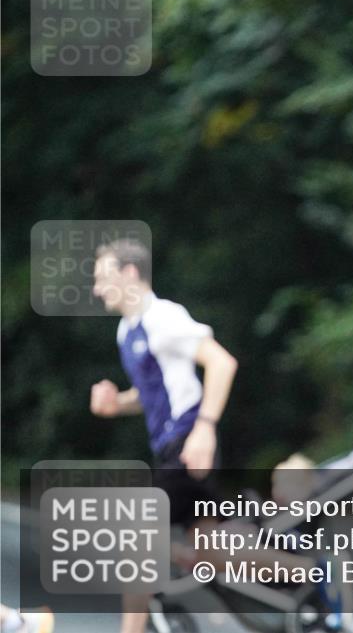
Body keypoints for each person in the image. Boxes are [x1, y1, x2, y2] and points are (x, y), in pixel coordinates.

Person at [89, 239, 239, 633]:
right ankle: (315, 572)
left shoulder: (164, 318)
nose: (97, 288)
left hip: (189, 441)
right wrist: (116, 404)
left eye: (103, 278)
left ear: (130, 274)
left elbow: (222, 363)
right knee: (212, 554)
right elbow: (152, 391)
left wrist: (205, 428)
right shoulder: (127, 331)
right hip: (173, 447)